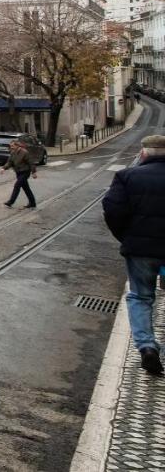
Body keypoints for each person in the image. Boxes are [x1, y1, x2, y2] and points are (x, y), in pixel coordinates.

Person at [102, 135, 165, 376]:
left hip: (140, 250)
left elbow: (112, 210)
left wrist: (126, 237)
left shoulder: (128, 176)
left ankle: (147, 347)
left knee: (140, 297)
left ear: (144, 153)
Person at [2, 139, 37, 208]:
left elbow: (31, 163)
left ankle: (11, 202)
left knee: (17, 185)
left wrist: (33, 172)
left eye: (12, 146)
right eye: (10, 146)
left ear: (17, 145)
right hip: (18, 173)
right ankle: (32, 203)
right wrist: (4, 168)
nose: (11, 147)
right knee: (26, 188)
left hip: (25, 172)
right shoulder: (12, 152)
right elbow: (10, 162)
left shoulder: (24, 152)